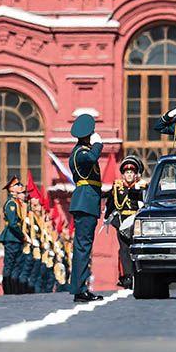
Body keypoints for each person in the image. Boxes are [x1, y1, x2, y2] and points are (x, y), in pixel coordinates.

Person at [67, 113, 103, 303]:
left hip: (87, 201)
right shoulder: (81, 153)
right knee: (83, 248)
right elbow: (91, 158)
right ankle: (80, 290)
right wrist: (98, 144)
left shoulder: (80, 151)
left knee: (83, 248)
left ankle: (80, 288)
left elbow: (92, 182)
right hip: (85, 203)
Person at [106, 156, 144, 289]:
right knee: (124, 250)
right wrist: (109, 218)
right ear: (123, 174)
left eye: (131, 172)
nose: (129, 175)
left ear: (136, 174)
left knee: (138, 248)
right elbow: (111, 203)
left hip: (137, 222)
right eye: (127, 172)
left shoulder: (142, 187)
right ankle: (127, 277)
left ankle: (139, 274)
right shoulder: (117, 187)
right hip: (122, 223)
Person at [0, 175, 25, 295]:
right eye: (17, 185)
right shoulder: (11, 204)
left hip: (16, 238)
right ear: (11, 189)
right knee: (9, 265)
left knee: (16, 265)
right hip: (12, 237)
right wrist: (22, 236)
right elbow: (13, 224)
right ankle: (8, 290)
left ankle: (14, 289)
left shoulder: (16, 203)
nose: (20, 186)